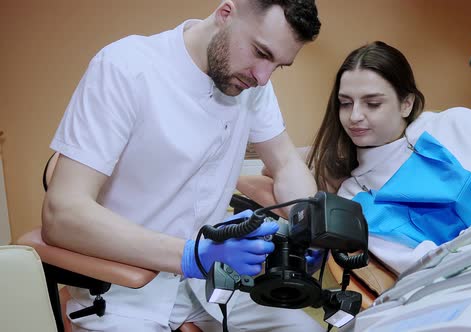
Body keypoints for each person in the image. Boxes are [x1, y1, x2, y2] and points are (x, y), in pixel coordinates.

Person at [42, 1, 323, 331]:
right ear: (225, 14)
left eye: (278, 65)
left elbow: (287, 162)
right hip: (126, 288)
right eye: (261, 52)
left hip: (214, 284)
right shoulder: (126, 67)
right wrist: (192, 255)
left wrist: (310, 223)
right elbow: (62, 213)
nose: (263, 77)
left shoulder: (252, 86)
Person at [307, 41, 471, 276]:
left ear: (406, 104)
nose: (354, 116)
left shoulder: (455, 126)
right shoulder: (354, 195)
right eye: (345, 103)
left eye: (372, 103)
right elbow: (427, 268)